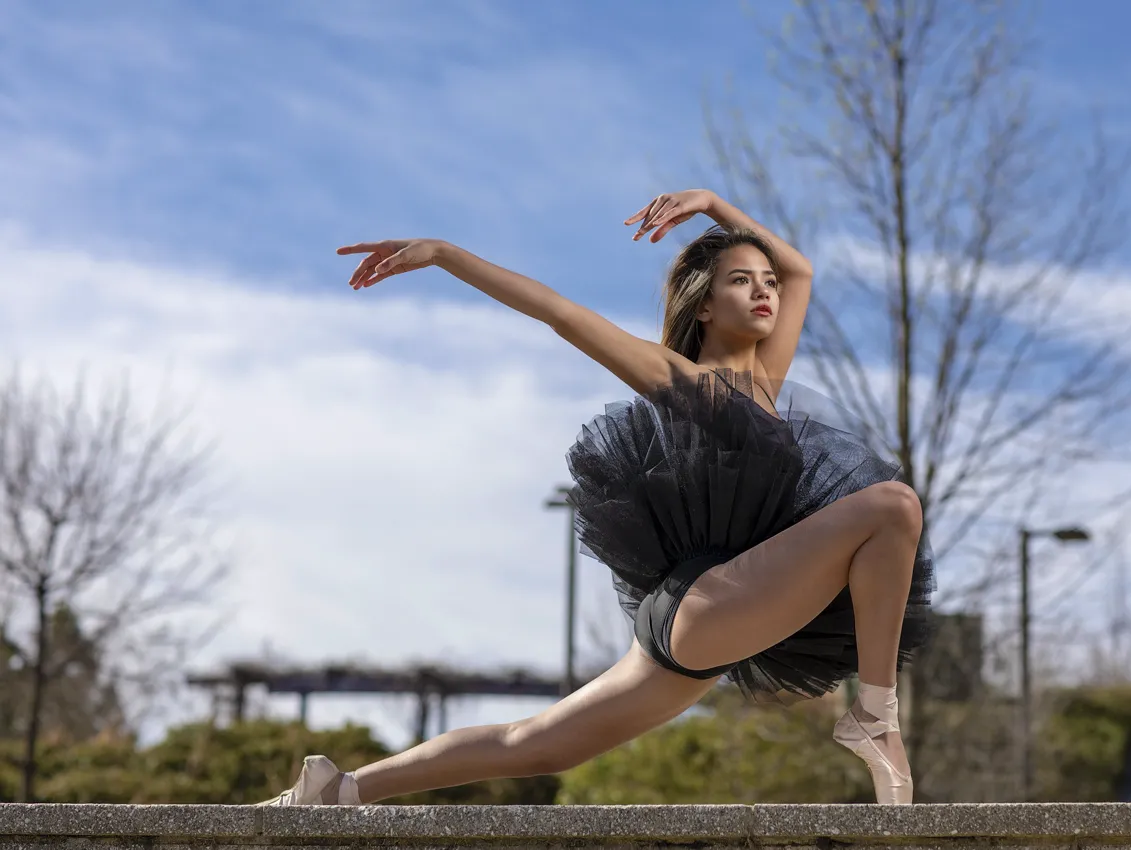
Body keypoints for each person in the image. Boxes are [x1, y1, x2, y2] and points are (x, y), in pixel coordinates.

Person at [262, 189, 933, 807]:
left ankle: (338, 789)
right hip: (702, 604)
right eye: (740, 280)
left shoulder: (765, 384)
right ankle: (874, 716)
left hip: (712, 617)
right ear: (704, 305)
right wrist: (444, 254)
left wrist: (713, 204)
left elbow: (800, 271)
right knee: (894, 507)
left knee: (536, 745)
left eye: (766, 283)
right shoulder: (679, 378)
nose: (764, 290)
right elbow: (558, 312)